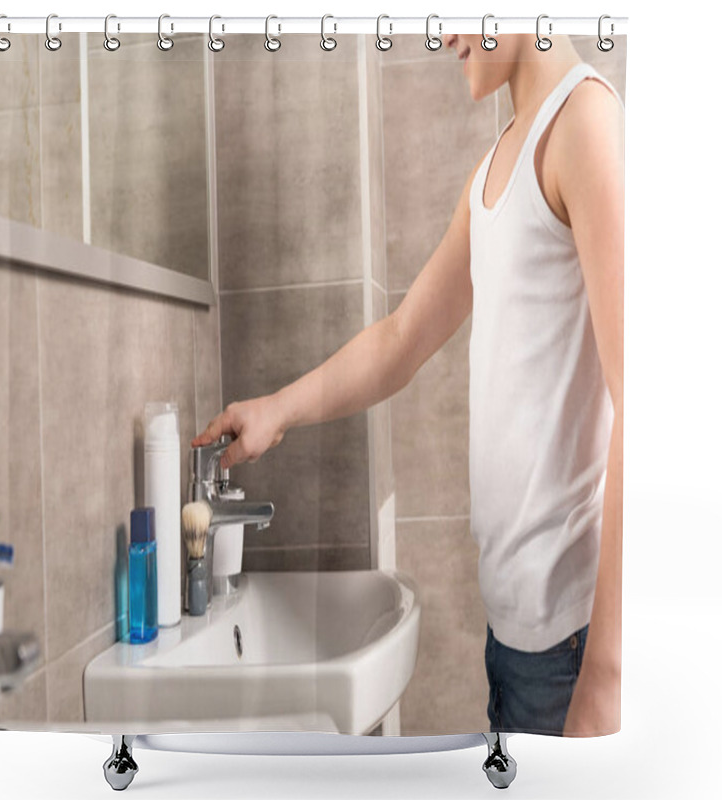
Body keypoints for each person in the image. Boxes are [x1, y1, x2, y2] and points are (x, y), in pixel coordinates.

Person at [192, 33, 623, 738]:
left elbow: (641, 400)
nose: (440, 30)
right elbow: (400, 339)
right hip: (518, 639)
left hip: (571, 646)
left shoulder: (583, 124)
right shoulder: (492, 172)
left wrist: (603, 677)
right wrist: (277, 410)